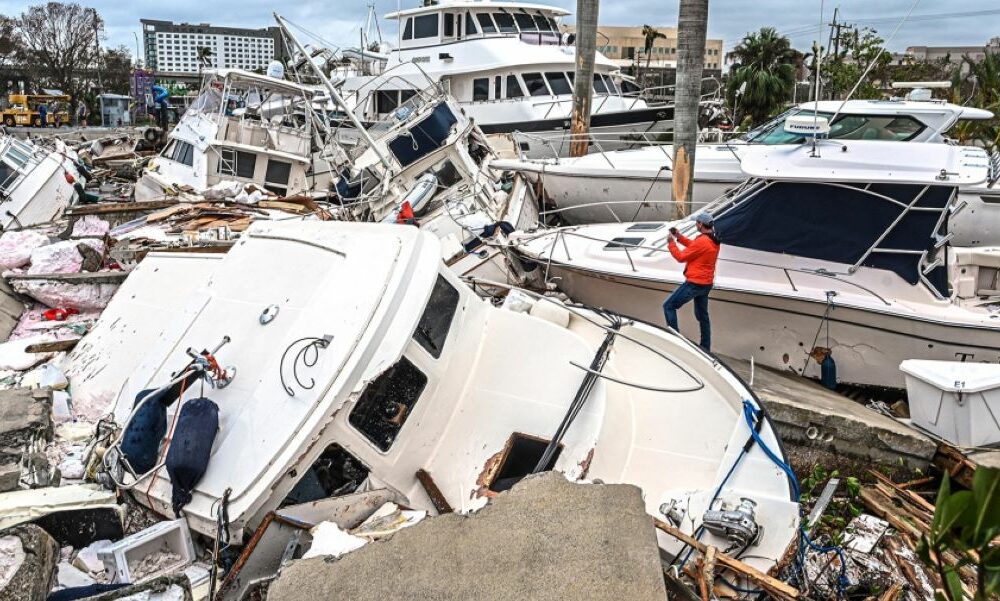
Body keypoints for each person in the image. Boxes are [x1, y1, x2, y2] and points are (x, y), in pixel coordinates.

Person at [663, 213, 721, 352]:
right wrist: (679, 237)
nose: (696, 224)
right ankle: (705, 346)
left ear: (701, 224)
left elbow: (681, 257)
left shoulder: (703, 241)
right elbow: (694, 246)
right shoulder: (712, 238)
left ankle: (675, 339)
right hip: (706, 284)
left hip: (695, 284)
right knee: (702, 316)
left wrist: (671, 243)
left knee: (668, 306)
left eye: (697, 223)